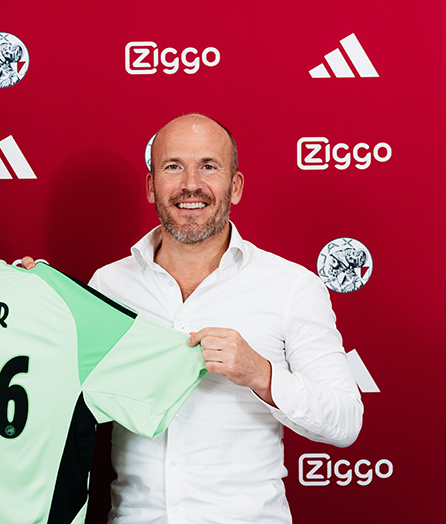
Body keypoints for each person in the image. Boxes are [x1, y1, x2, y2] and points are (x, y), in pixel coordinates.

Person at [88, 114, 363, 523]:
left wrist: (261, 374)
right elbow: (62, 397)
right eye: (173, 166)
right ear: (151, 186)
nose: (190, 184)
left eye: (208, 166)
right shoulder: (108, 286)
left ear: (235, 187)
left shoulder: (291, 287)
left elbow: (345, 421)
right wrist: (32, 299)